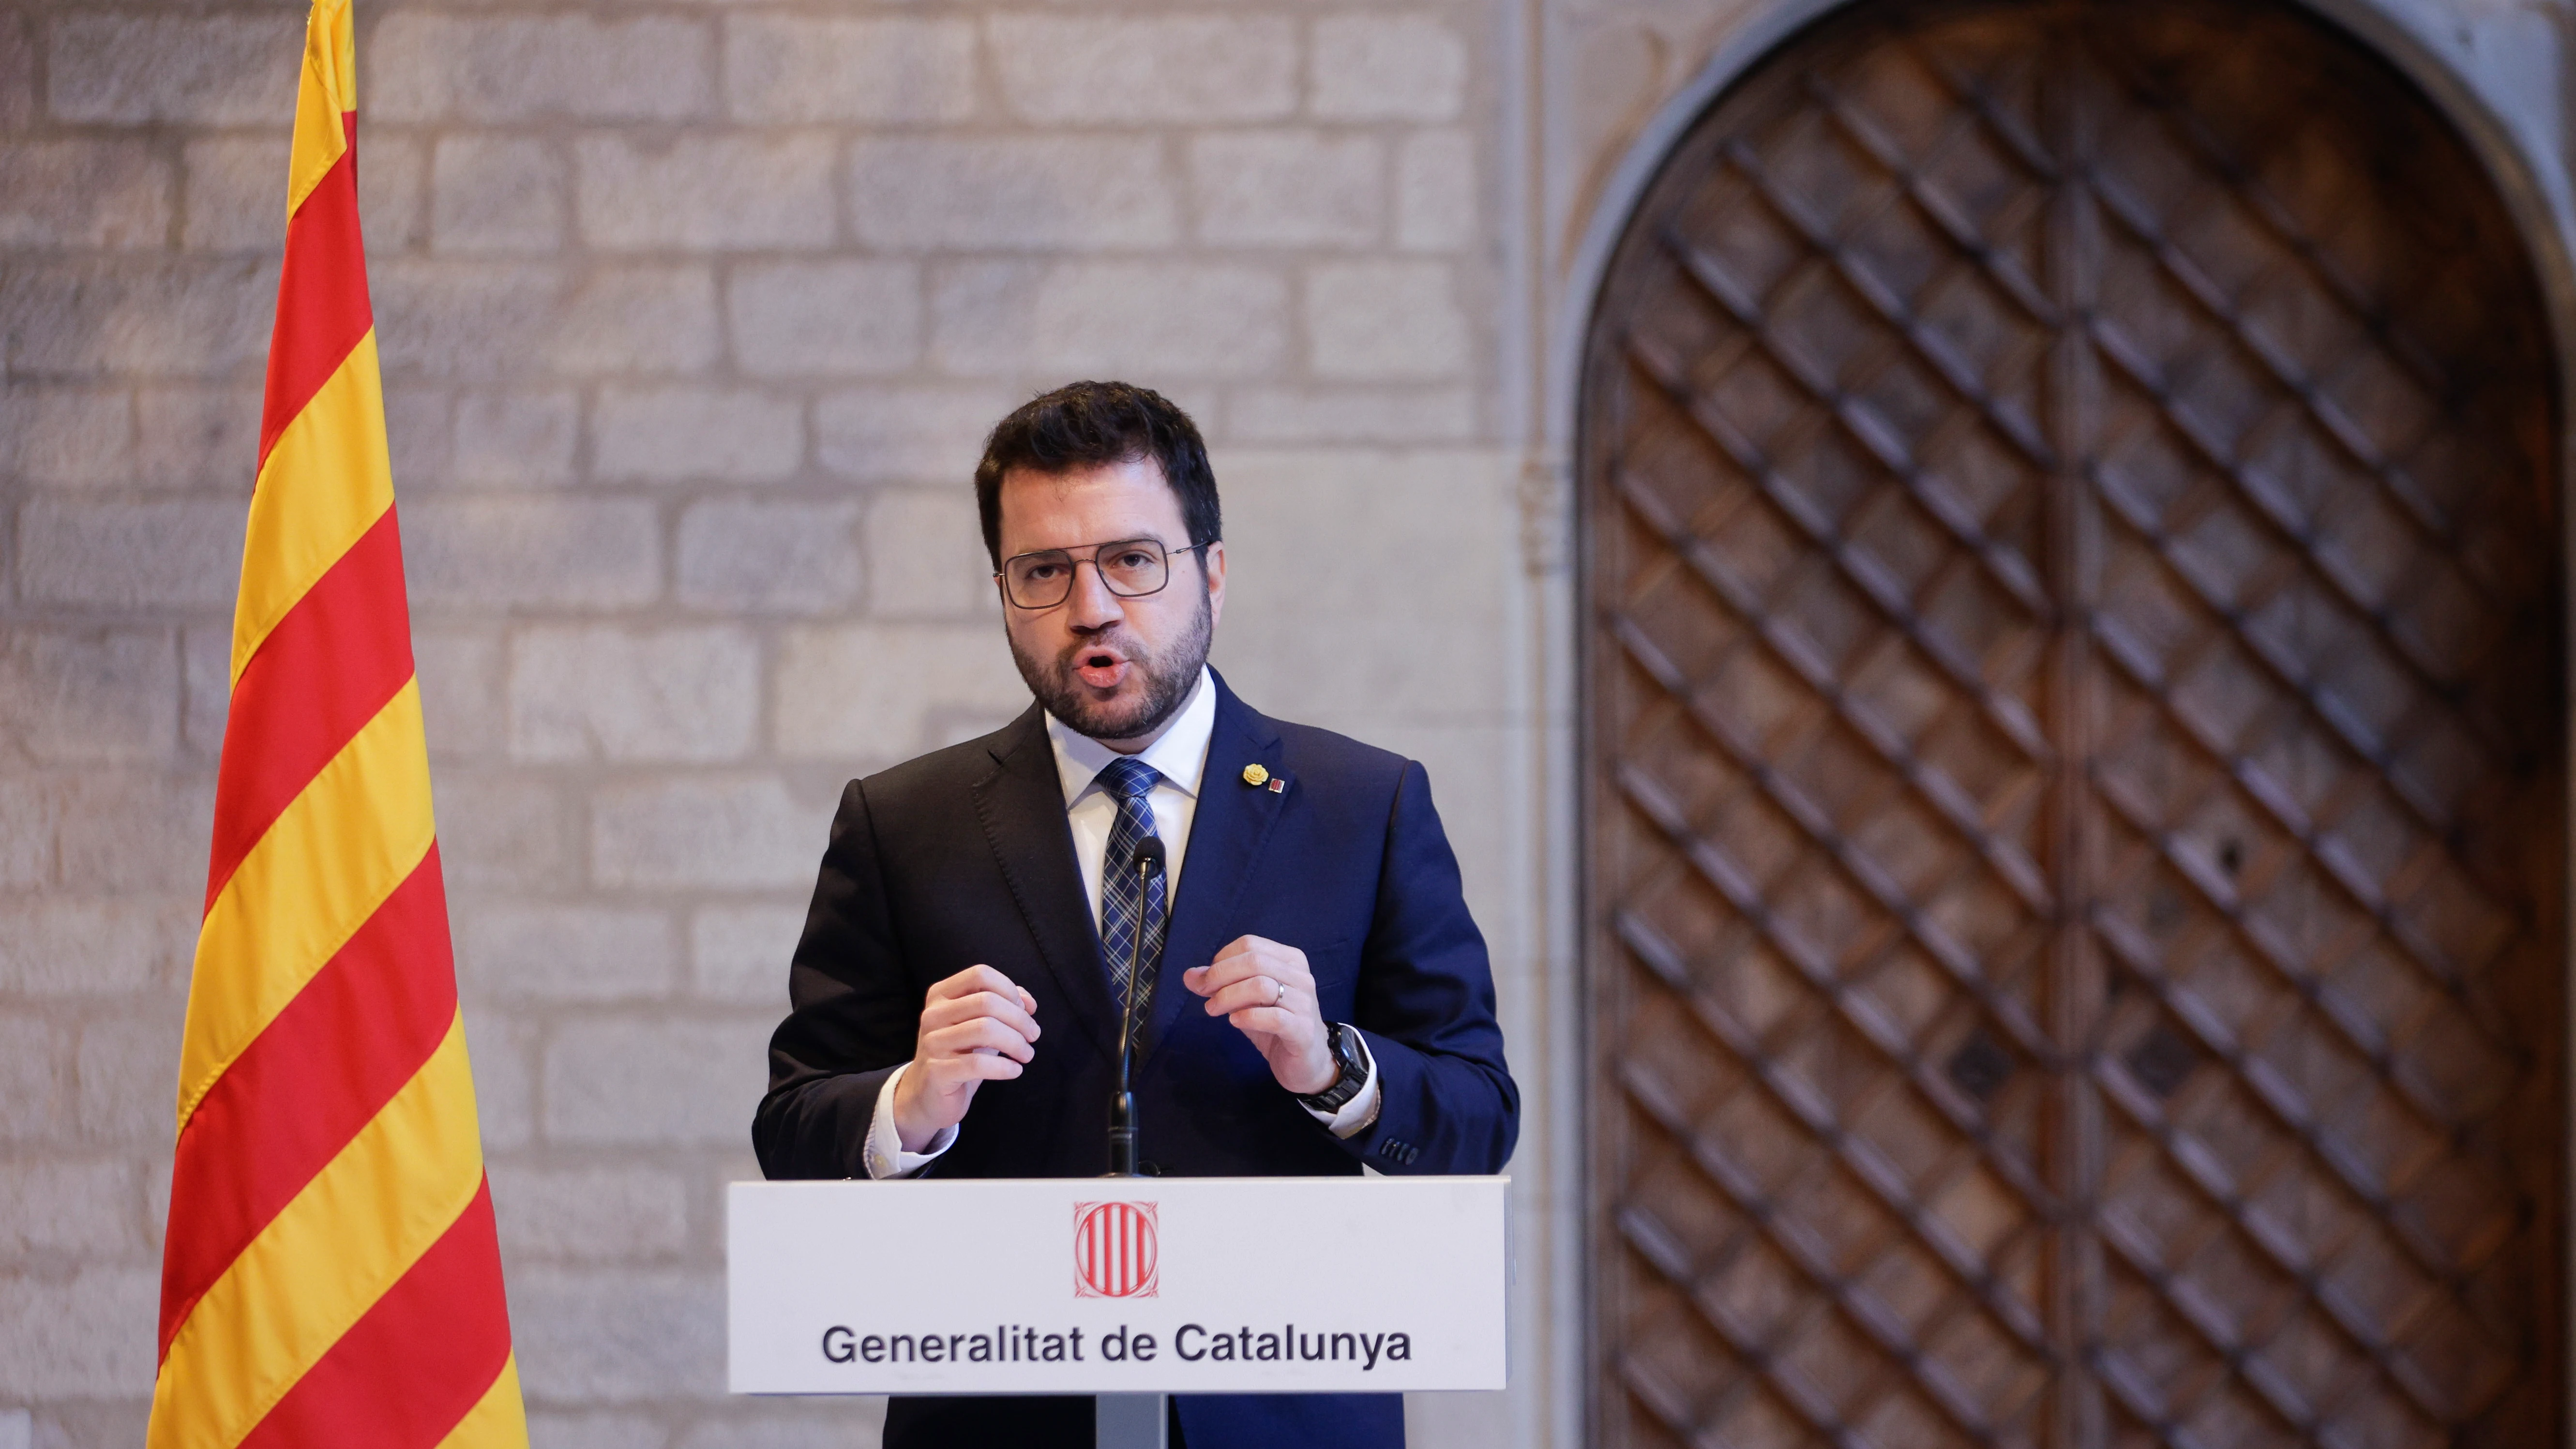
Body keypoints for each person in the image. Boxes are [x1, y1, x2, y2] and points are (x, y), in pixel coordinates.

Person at [752, 381, 1518, 1449]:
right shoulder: (902, 824)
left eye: (1132, 560)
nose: (1092, 606)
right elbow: (792, 1130)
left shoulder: (1366, 807)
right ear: (1003, 589)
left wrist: (1334, 1070)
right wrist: (909, 1107)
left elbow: (1478, 1121)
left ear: (1211, 573)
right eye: (1043, 572)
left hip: (1286, 1417)